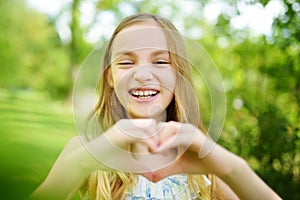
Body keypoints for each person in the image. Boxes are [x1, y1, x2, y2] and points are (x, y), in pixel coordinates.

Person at [29, 13, 282, 200]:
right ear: (110, 77)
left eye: (160, 61)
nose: (142, 74)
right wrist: (84, 162)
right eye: (126, 63)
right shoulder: (85, 150)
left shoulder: (202, 159)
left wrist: (232, 168)